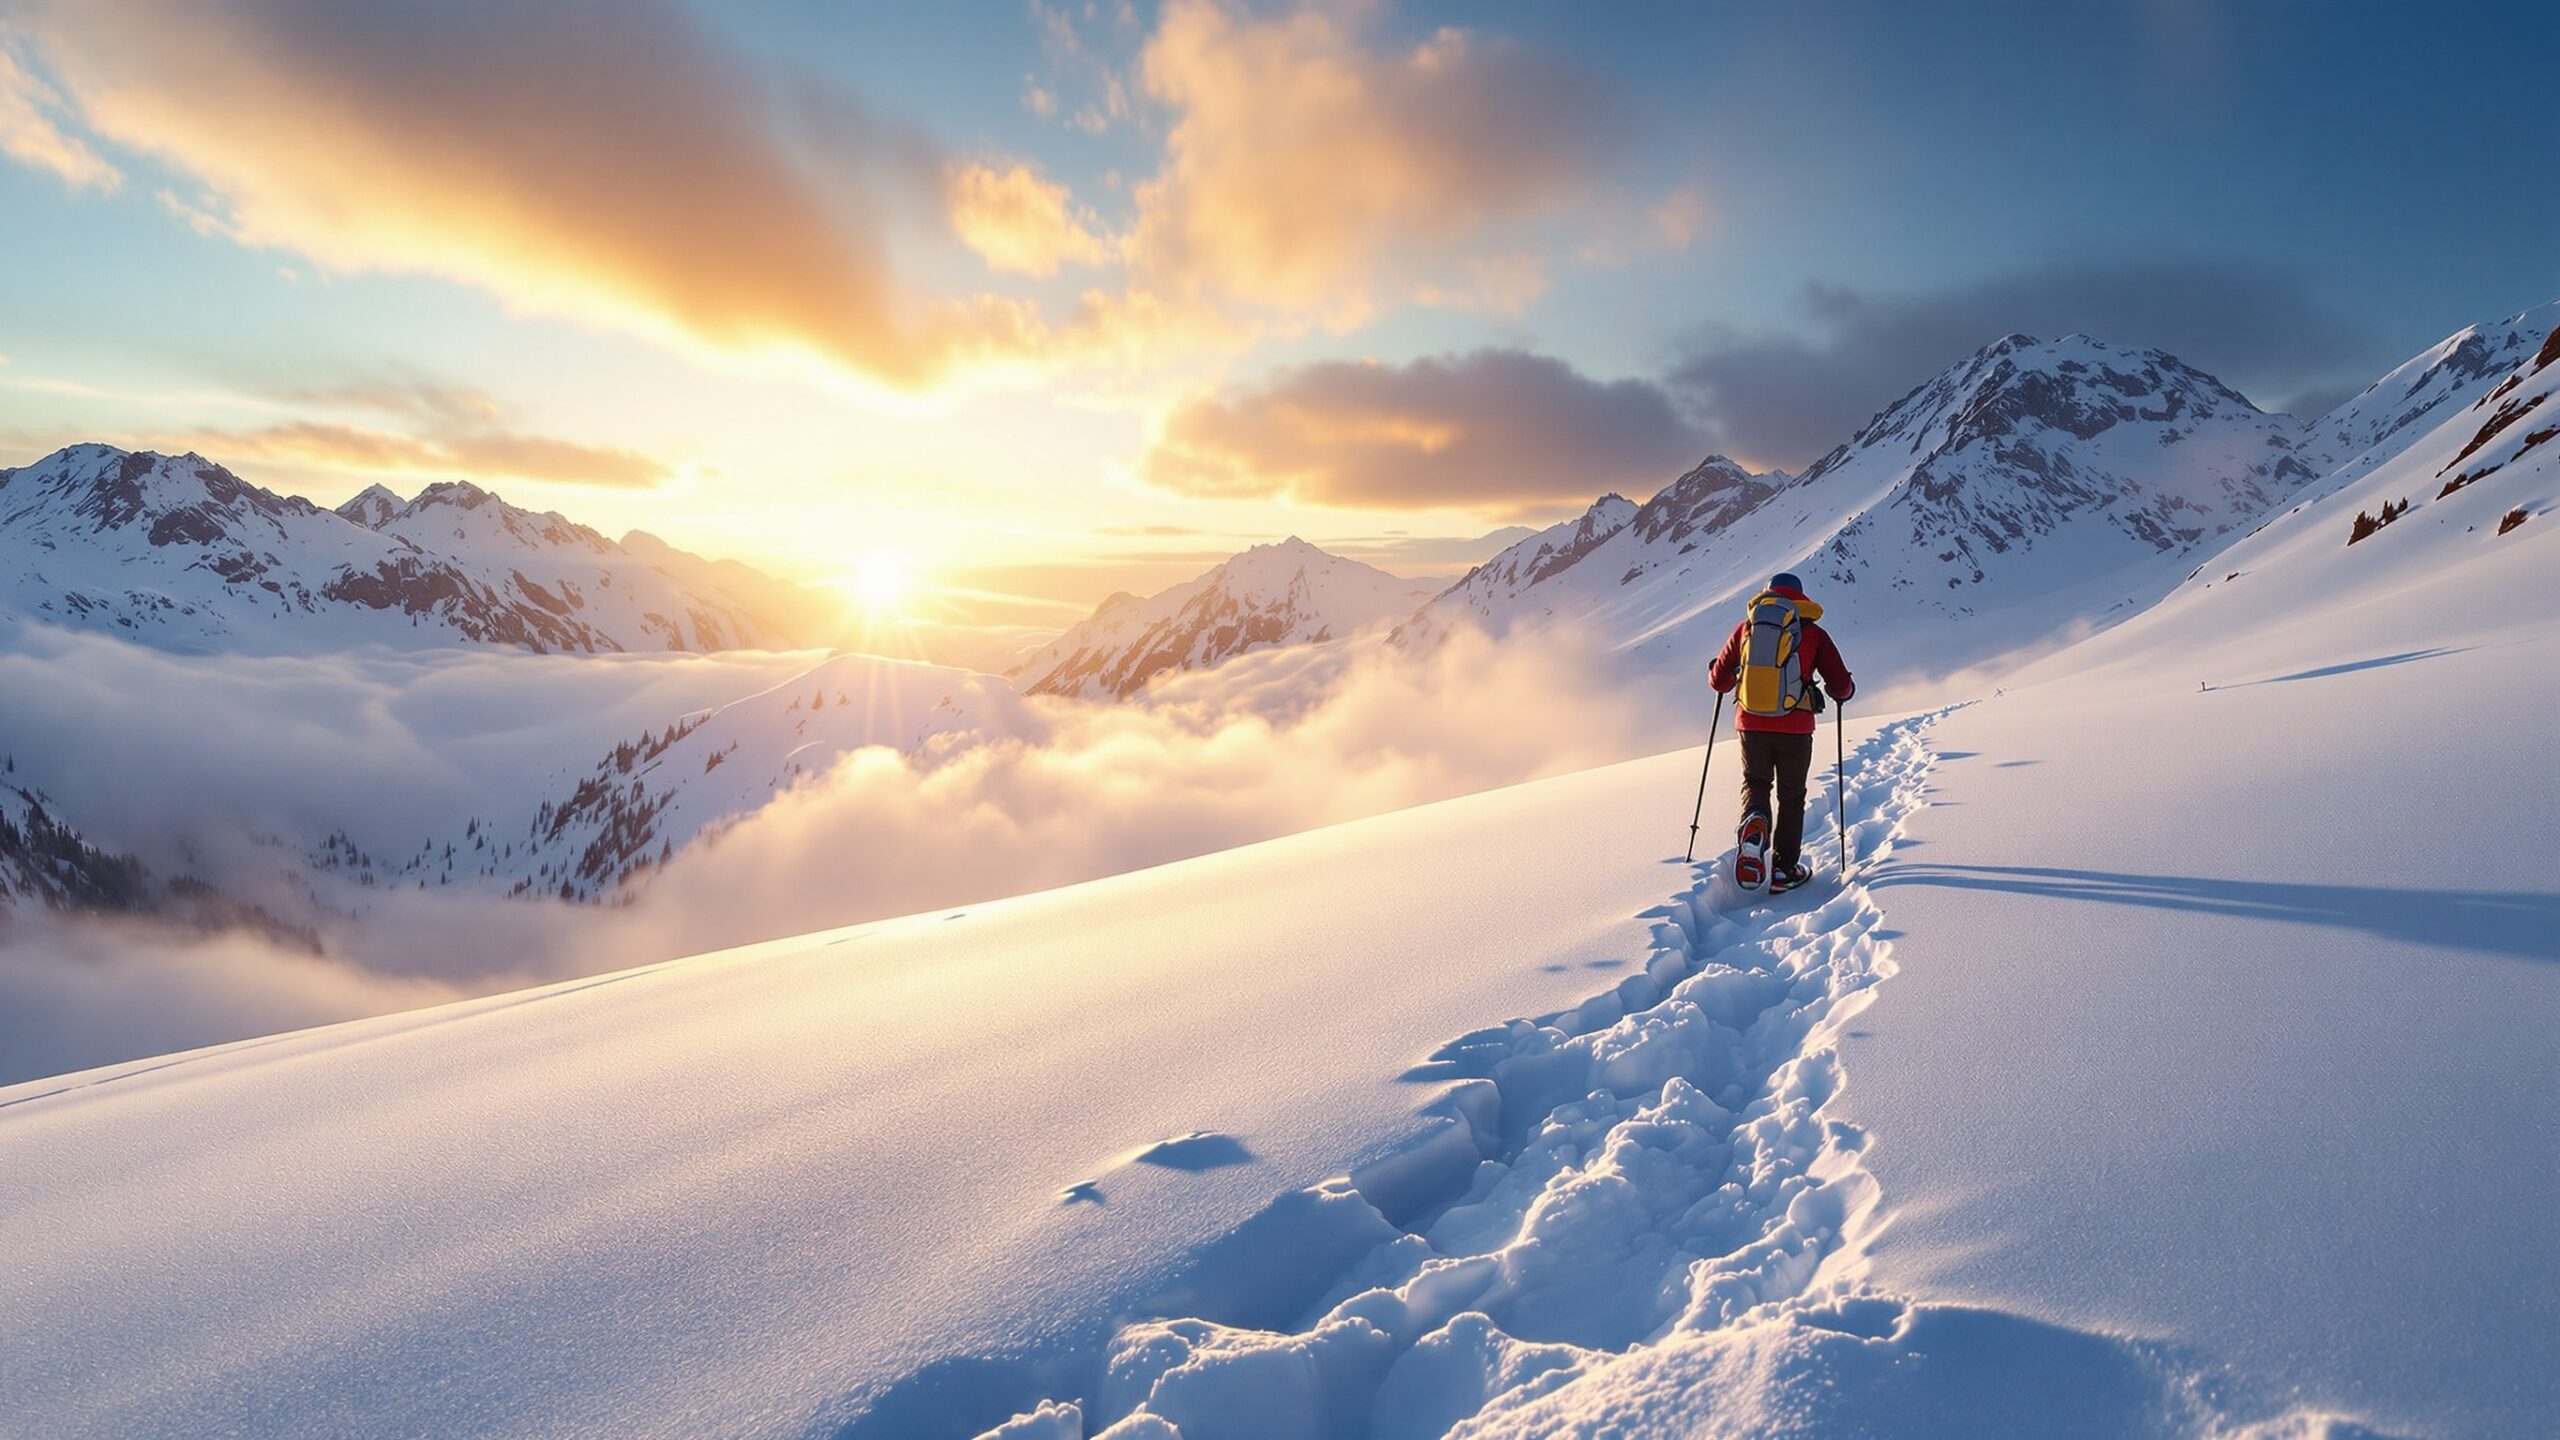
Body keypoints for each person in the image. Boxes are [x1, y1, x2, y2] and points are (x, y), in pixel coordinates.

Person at [1707, 571, 1854, 893]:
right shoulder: (1813, 633)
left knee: (1756, 783)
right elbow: (1840, 685)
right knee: (1791, 796)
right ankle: (1785, 870)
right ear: (1800, 599)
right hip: (1795, 726)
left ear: (1767, 596)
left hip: (1751, 723)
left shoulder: (1746, 629)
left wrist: (1719, 668)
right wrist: (1845, 690)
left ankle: (1755, 825)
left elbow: (1719, 682)